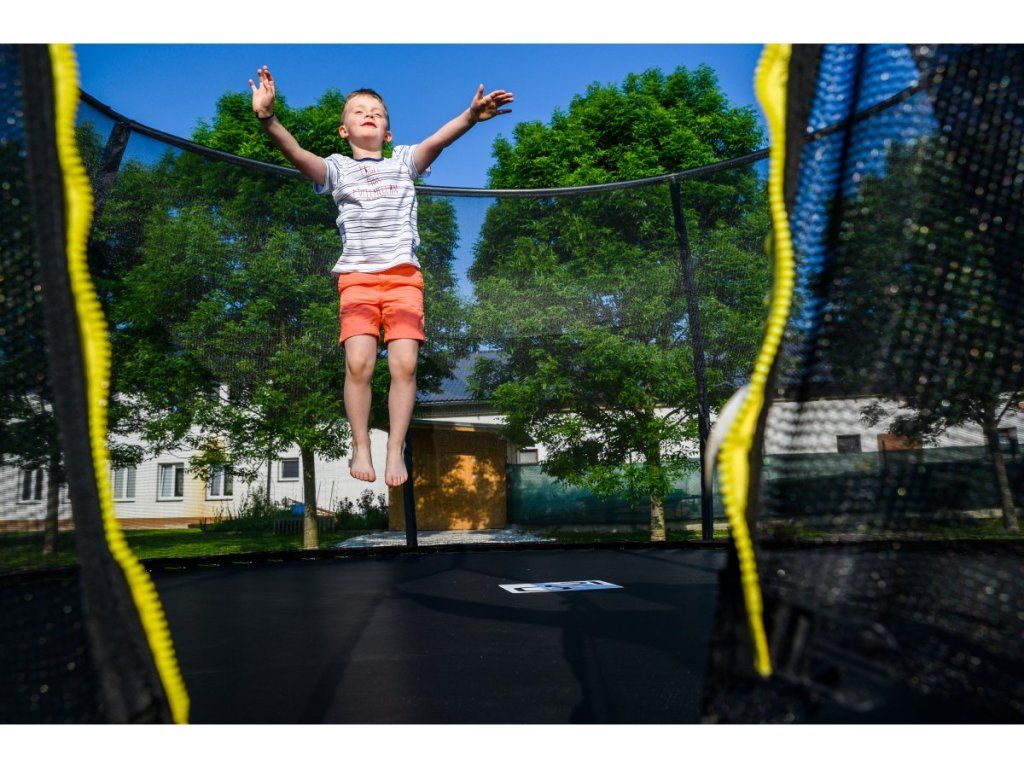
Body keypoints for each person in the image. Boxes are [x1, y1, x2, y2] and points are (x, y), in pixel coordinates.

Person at [249, 65, 513, 487]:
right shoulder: (336, 169)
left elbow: (437, 141)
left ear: (388, 133)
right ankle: (360, 446)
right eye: (358, 111)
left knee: (405, 364)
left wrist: (470, 117)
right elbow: (296, 154)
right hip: (356, 278)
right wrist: (268, 118)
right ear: (344, 130)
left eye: (377, 111)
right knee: (358, 363)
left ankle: (394, 450)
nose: (369, 114)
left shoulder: (404, 162)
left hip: (404, 278)